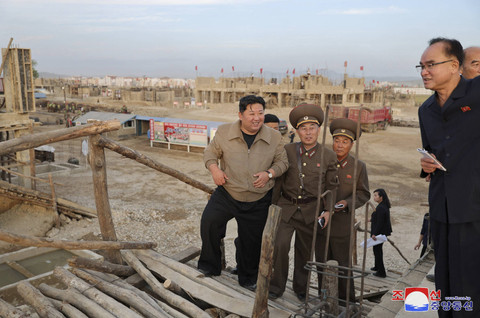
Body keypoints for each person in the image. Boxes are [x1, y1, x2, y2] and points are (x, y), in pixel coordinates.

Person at [198, 95, 289, 291]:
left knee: (251, 243)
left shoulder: (274, 137)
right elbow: (210, 153)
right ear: (240, 115)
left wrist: (269, 173)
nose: (257, 118)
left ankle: (248, 278)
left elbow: (283, 162)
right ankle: (209, 267)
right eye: (251, 113)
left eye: (260, 113)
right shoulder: (224, 132)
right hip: (228, 193)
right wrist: (214, 169)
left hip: (257, 199)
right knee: (209, 222)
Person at [418, 37, 480, 317]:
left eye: (431, 65)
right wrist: (426, 163)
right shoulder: (426, 110)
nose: (424, 72)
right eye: (421, 66)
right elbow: (431, 151)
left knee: (471, 281)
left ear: (455, 65)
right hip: (442, 209)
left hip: (474, 208)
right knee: (444, 280)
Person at [269, 103, 338, 301]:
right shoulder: (287, 150)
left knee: (304, 253)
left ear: (318, 130)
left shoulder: (328, 156)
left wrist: (328, 210)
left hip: (311, 211)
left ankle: (301, 288)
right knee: (280, 247)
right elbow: (279, 181)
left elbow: (331, 187)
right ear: (297, 131)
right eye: (303, 129)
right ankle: (276, 287)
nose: (308, 133)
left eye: (312, 128)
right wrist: (272, 207)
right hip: (286, 208)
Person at [316, 118, 370, 302]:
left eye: (344, 142)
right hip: (322, 224)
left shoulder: (358, 167)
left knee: (344, 265)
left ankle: (347, 301)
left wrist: (346, 203)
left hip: (342, 225)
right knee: (321, 264)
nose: (339, 145)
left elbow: (363, 194)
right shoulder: (323, 161)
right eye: (337, 140)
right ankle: (324, 299)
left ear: (352, 144)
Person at [370, 188, 392, 278]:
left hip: (380, 233)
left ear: (381, 197)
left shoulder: (381, 208)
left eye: (376, 195)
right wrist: (372, 219)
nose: (374, 197)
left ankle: (381, 272)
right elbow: (379, 218)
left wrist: (374, 233)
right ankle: (377, 266)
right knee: (376, 250)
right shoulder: (382, 206)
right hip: (381, 232)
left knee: (378, 251)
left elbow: (380, 223)